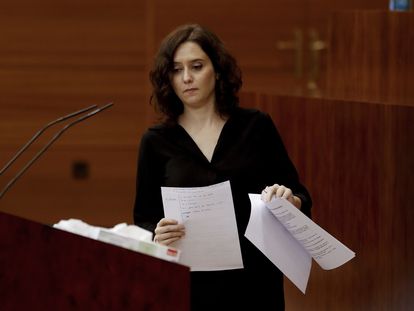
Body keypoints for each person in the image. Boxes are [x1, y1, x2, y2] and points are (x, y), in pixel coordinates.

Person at [133, 23, 312, 310]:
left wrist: (291, 199)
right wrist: (156, 232)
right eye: (176, 70)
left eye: (197, 66)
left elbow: (300, 194)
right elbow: (143, 218)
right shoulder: (156, 142)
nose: (187, 78)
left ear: (217, 71)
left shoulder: (256, 126)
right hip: (190, 283)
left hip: (255, 281)